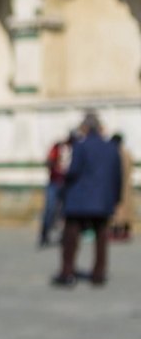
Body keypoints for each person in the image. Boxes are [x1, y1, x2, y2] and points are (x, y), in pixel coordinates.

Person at [52, 112, 122, 287]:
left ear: (85, 128)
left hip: (79, 200)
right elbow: (117, 176)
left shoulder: (81, 146)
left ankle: (67, 272)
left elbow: (73, 170)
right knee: (101, 238)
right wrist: (115, 198)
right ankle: (98, 273)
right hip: (102, 200)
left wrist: (64, 180)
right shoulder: (111, 147)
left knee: (71, 237)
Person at [39, 133, 74, 247]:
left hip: (67, 184)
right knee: (50, 209)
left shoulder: (76, 150)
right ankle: (44, 233)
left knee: (65, 211)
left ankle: (64, 235)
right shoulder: (58, 148)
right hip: (55, 182)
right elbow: (49, 161)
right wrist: (55, 165)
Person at [109, 133, 133, 242]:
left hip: (115, 185)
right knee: (125, 209)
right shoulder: (127, 153)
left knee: (117, 210)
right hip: (126, 185)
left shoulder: (115, 153)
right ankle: (124, 231)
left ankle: (116, 231)